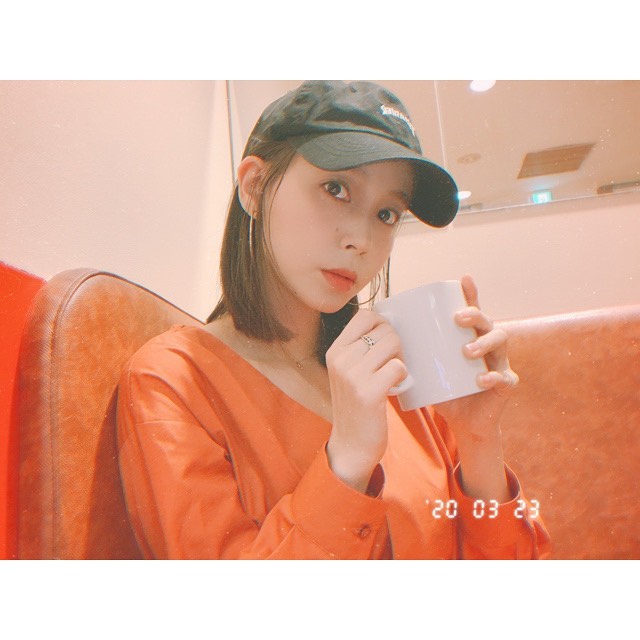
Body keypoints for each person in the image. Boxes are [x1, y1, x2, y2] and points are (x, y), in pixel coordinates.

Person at [116, 80, 551, 559]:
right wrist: (346, 461)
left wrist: (478, 441)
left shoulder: (400, 375)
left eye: (387, 213)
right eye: (336, 188)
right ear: (254, 186)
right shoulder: (175, 381)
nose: (362, 240)